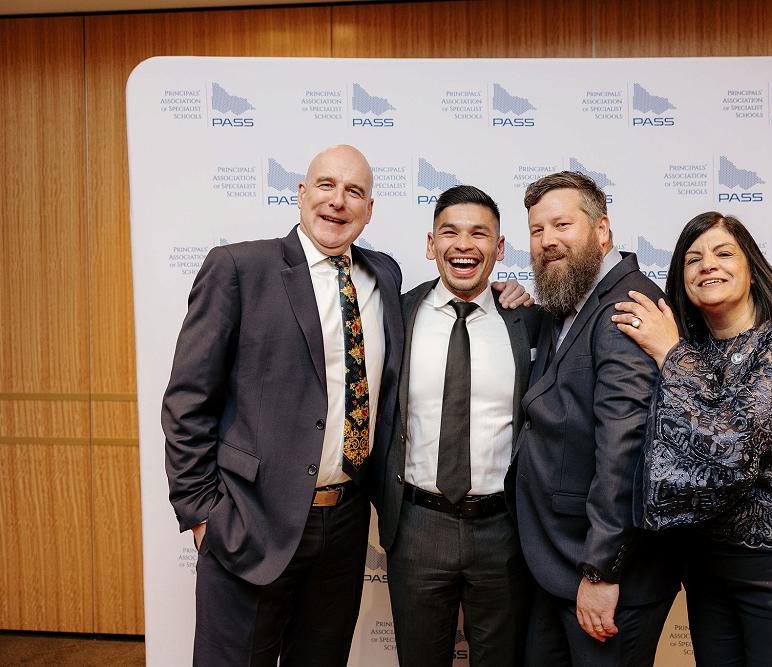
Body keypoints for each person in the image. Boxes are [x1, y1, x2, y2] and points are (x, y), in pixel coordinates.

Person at [162, 145, 528, 666]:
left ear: (369, 209)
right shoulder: (241, 267)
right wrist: (203, 514)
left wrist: (511, 293)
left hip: (345, 526)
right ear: (300, 194)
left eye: (354, 191)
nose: (338, 201)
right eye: (326, 186)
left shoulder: (383, 277)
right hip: (252, 521)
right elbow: (187, 400)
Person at [612, 211, 772, 666]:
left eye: (723, 253)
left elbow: (732, 446)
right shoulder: (693, 348)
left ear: (751, 267)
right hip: (708, 565)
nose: (708, 265)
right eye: (693, 259)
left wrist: (670, 354)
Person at [511, 171, 681, 667]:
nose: (547, 240)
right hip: (559, 561)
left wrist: (601, 572)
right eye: (537, 230)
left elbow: (626, 449)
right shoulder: (575, 298)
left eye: (562, 225)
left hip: (605, 572)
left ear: (602, 229)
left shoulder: (627, 308)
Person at [372, 185, 542, 667]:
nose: (464, 245)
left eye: (479, 234)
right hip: (417, 526)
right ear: (431, 245)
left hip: (504, 529)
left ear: (500, 248)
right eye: (450, 232)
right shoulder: (396, 315)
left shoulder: (529, 320)